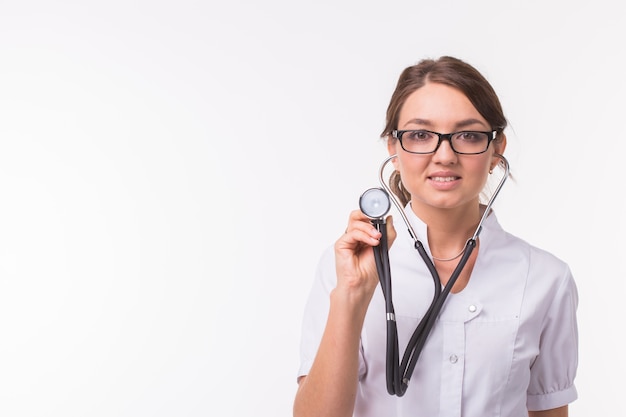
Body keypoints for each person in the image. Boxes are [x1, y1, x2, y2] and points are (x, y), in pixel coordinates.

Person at [293, 56, 578, 417]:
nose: (444, 155)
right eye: (420, 135)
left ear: (496, 150)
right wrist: (351, 297)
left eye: (468, 135)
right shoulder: (345, 271)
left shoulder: (545, 279)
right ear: (393, 150)